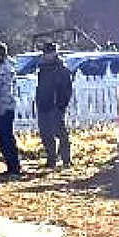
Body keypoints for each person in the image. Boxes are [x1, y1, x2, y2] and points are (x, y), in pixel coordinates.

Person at [35, 41, 75, 169]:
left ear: (54, 53)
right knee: (46, 134)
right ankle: (51, 158)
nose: (45, 55)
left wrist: (61, 105)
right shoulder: (42, 68)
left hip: (55, 106)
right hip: (43, 105)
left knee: (60, 133)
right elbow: (40, 87)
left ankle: (66, 159)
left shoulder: (61, 69)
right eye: (44, 53)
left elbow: (67, 90)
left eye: (47, 52)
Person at [0, 41, 22, 180]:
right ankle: (10, 166)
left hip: (5, 108)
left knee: (6, 138)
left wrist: (0, 108)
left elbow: (6, 91)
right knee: (1, 138)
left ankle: (14, 167)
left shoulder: (6, 69)